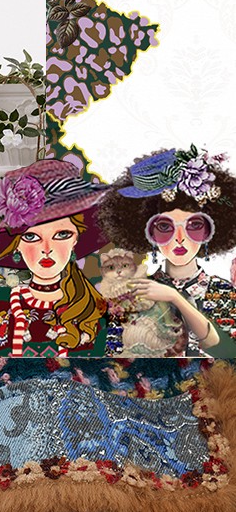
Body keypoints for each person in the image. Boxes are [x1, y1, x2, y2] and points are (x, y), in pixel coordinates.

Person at [0, 158, 110, 362]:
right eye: (31, 237)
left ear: (76, 239)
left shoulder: (93, 304)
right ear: (16, 245)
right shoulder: (2, 302)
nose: (47, 250)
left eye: (62, 235)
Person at [97, 146, 236, 359]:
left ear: (210, 231)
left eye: (194, 225)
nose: (179, 238)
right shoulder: (134, 291)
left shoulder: (222, 291)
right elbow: (113, 356)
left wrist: (174, 297)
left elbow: (229, 354)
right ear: (148, 233)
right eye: (165, 227)